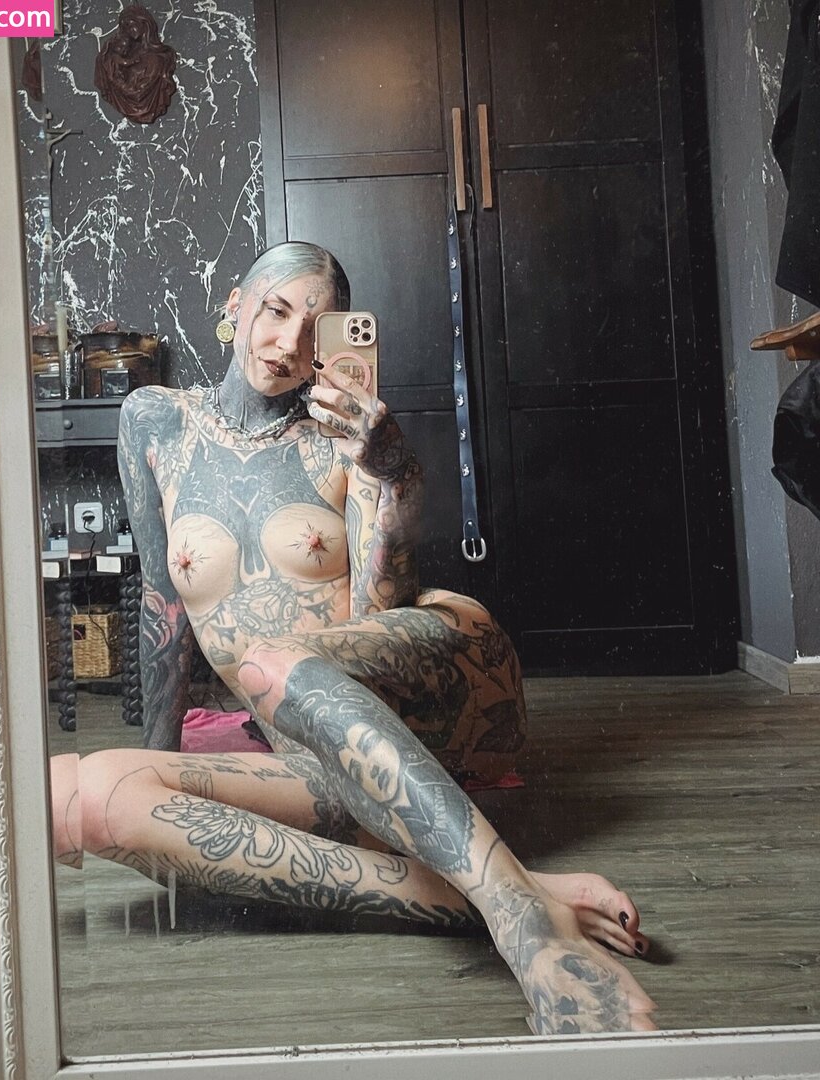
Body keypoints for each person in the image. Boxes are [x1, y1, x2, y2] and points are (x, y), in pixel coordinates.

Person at [50, 241, 656, 1035]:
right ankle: (518, 895)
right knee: (76, 797)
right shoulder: (156, 421)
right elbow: (164, 603)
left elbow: (380, 608)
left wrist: (392, 476)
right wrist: (160, 764)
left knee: (272, 663)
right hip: (316, 747)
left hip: (433, 678)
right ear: (234, 305)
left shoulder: (346, 438)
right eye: (274, 312)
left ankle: (520, 923)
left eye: (316, 330)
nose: (289, 345)